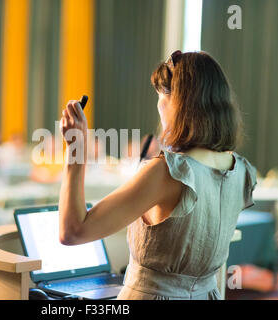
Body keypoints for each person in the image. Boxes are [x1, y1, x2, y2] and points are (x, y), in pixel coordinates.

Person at [58, 51, 257, 300]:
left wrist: (75, 150)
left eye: (161, 96)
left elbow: (73, 231)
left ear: (179, 103)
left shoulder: (169, 171)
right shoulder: (241, 170)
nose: (158, 106)